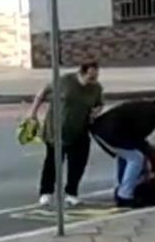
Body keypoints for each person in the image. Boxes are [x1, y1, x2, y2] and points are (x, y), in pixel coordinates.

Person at [27, 60, 103, 207]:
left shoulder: (96, 88)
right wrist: (33, 112)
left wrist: (96, 111)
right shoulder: (65, 81)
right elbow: (43, 92)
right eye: (91, 77)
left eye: (96, 76)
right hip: (56, 129)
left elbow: (99, 104)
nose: (94, 80)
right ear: (82, 73)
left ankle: (71, 193)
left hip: (80, 130)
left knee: (77, 164)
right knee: (53, 162)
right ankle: (46, 192)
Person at [90, 97, 155, 207]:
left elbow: (136, 136)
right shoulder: (151, 115)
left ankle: (121, 188)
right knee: (136, 158)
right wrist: (148, 150)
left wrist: (147, 147)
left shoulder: (150, 109)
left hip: (104, 130)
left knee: (128, 155)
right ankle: (125, 195)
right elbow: (137, 136)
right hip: (110, 133)